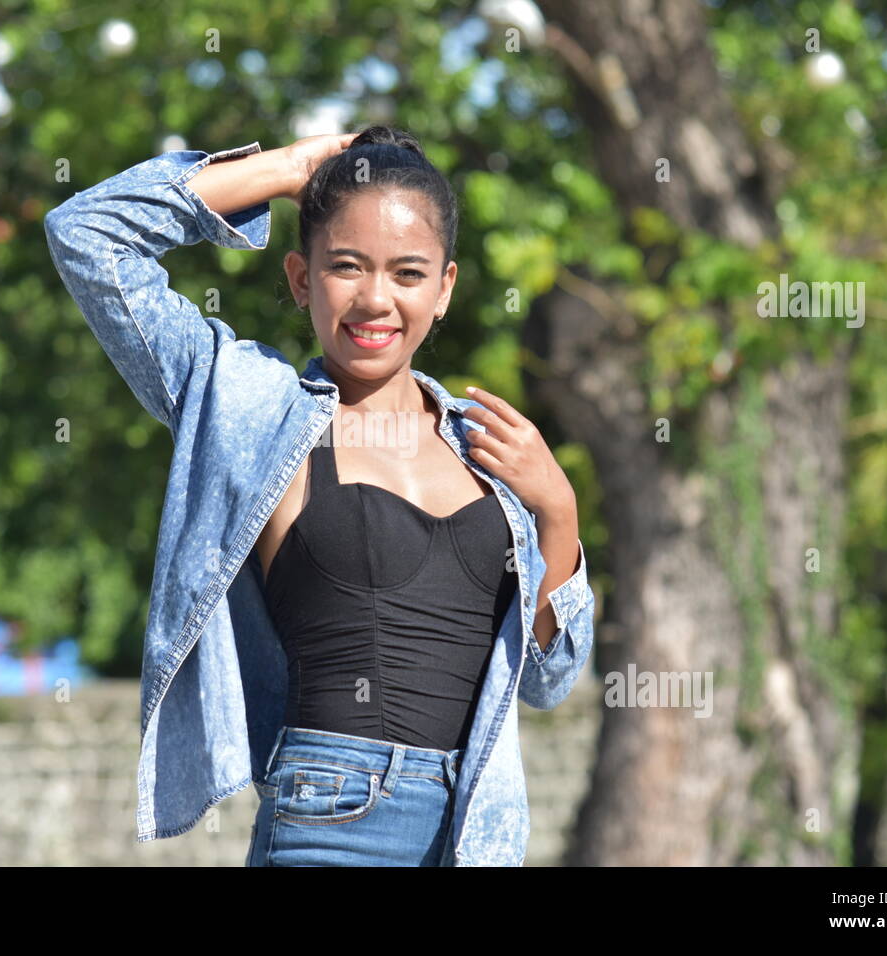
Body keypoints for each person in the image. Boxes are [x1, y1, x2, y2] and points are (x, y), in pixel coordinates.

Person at [44, 126, 596, 866]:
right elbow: (87, 235)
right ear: (302, 279)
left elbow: (548, 681)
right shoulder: (251, 408)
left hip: (476, 828)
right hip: (331, 819)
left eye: (407, 273)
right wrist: (287, 169)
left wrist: (557, 510)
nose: (376, 299)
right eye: (346, 267)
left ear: (445, 289)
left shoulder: (492, 452)